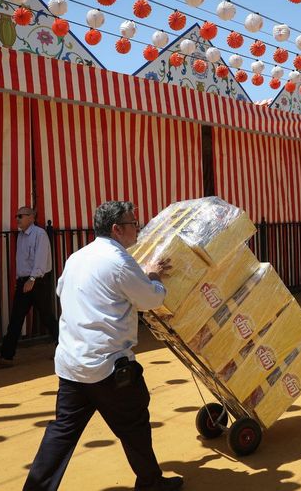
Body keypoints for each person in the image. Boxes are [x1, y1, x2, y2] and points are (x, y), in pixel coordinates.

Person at [24, 201, 183, 491]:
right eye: (133, 223)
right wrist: (155, 277)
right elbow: (150, 300)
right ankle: (150, 483)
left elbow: (63, 290)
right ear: (117, 228)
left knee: (62, 432)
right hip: (108, 366)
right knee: (134, 423)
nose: (137, 227)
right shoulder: (119, 260)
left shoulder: (77, 257)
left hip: (72, 363)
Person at [0, 206, 58, 367]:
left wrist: (31, 279)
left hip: (37, 281)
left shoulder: (39, 234)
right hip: (25, 281)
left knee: (47, 317)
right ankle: (6, 356)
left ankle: (66, 349)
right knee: (16, 319)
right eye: (16, 216)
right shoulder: (21, 236)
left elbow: (40, 259)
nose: (17, 219)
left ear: (31, 217)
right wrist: (22, 279)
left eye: (21, 216)